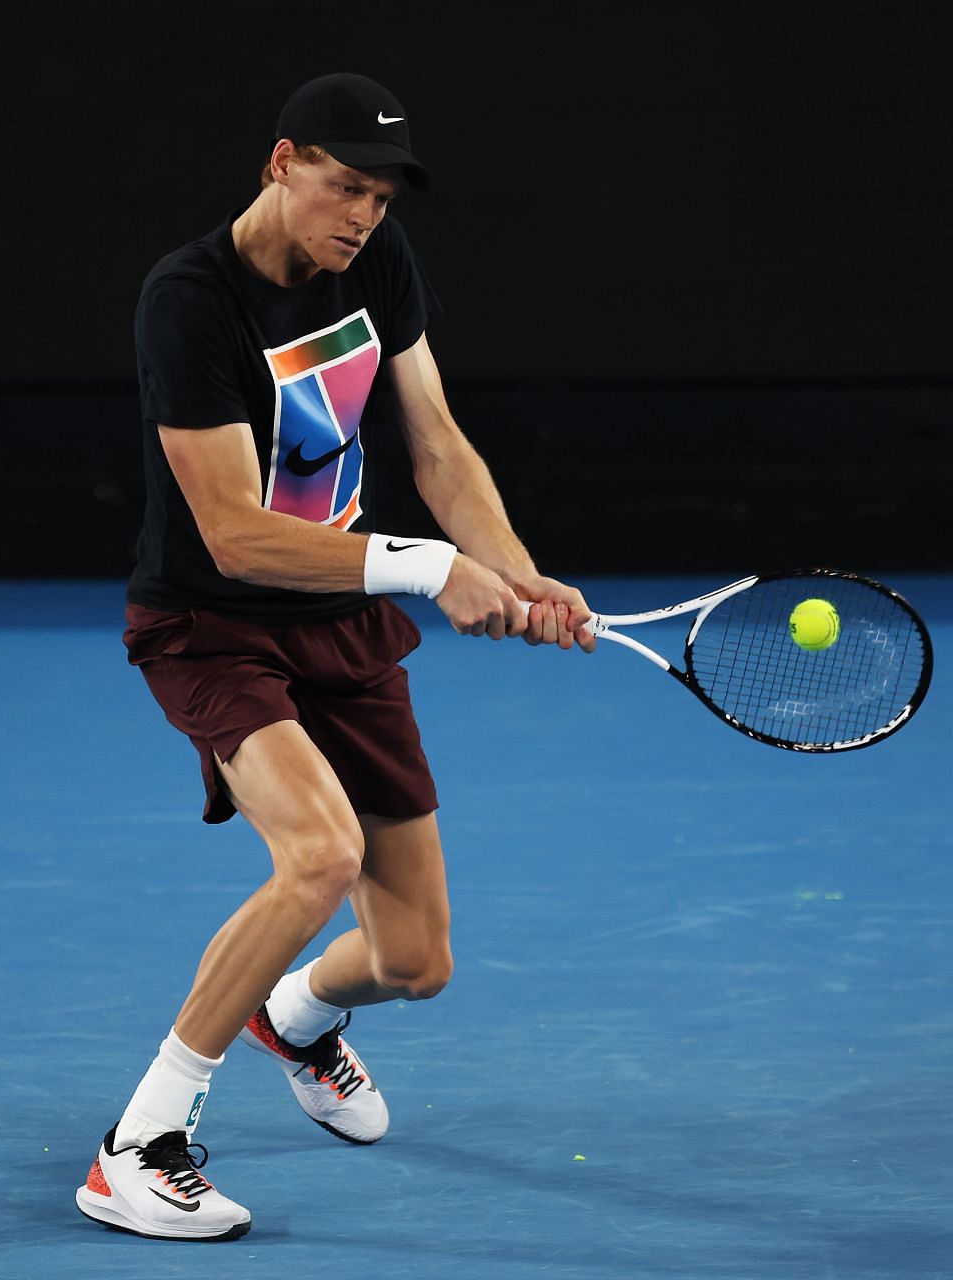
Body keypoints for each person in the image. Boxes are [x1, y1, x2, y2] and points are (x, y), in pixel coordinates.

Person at [75, 71, 595, 1242]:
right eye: (344, 185)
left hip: (342, 624)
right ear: (280, 163)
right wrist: (426, 567)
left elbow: (440, 442)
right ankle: (136, 1144)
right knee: (318, 854)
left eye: (382, 194)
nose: (363, 213)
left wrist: (509, 570)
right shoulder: (189, 300)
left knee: (416, 960)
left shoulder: (381, 264)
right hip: (212, 621)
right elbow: (231, 530)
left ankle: (296, 1017)